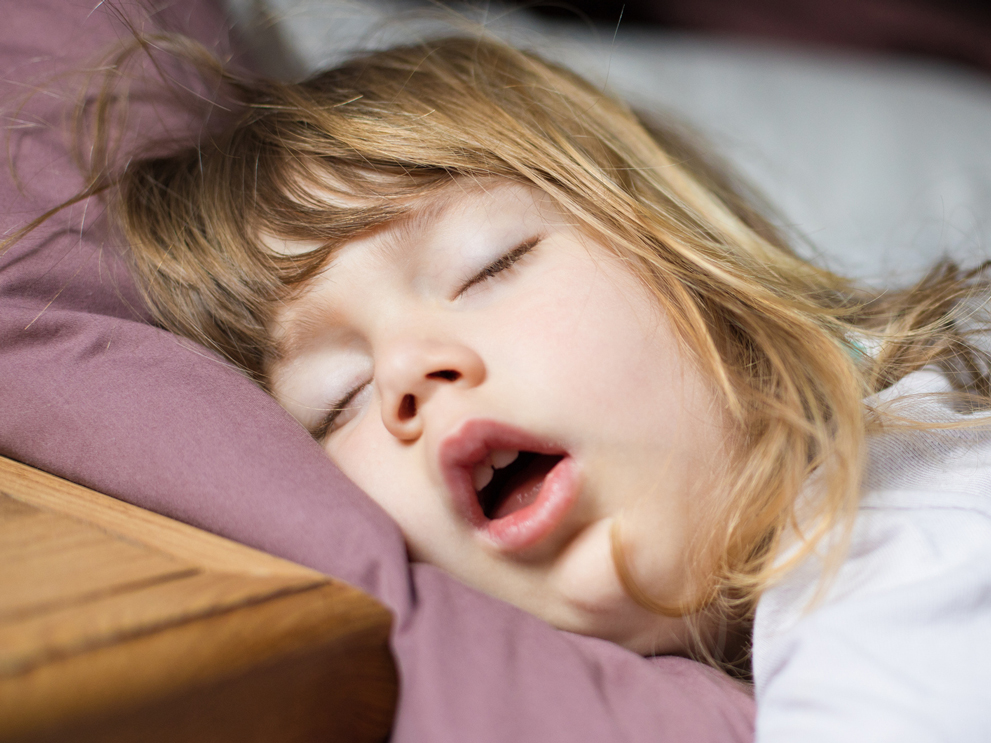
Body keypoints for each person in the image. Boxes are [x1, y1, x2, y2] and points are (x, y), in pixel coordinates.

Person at [9, 28, 991, 741]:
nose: (407, 372)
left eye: (488, 265)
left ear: (695, 270)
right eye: (339, 398)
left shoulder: (910, 511)